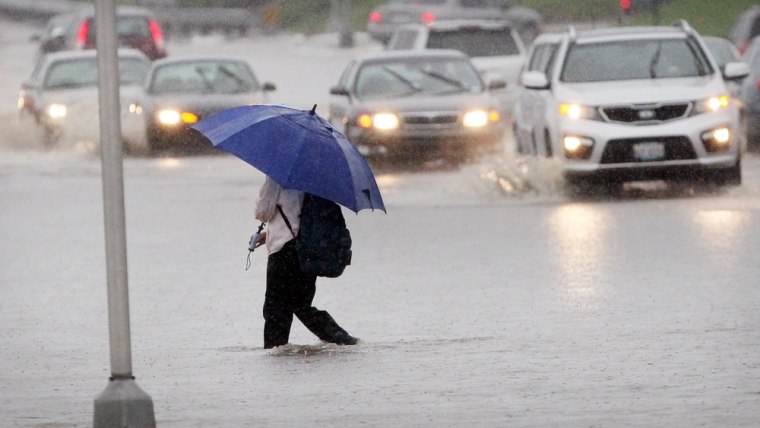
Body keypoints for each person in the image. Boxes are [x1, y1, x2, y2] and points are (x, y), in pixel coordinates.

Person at [254, 176, 359, 349]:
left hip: (283, 252)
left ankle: (274, 355)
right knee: (301, 305)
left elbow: (262, 212)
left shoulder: (276, 177)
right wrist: (268, 235)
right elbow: (301, 219)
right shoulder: (314, 181)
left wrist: (264, 193)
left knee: (275, 309)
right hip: (307, 252)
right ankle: (342, 339)